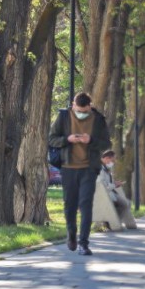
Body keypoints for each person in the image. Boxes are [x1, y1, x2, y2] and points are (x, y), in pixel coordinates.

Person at [48, 92, 111, 256]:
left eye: (84, 111)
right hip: (68, 168)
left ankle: (84, 243)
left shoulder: (98, 119)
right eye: (78, 110)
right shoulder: (63, 116)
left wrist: (90, 140)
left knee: (86, 205)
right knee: (69, 206)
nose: (81, 113)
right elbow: (51, 138)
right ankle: (71, 235)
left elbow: (106, 143)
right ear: (73, 105)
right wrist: (67, 139)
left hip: (89, 169)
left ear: (90, 106)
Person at [97, 150, 137, 229]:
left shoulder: (104, 167)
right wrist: (114, 185)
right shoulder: (100, 169)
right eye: (113, 160)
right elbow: (102, 185)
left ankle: (115, 222)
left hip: (108, 193)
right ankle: (114, 223)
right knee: (125, 203)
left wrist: (114, 183)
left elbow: (106, 182)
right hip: (104, 194)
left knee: (127, 203)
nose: (114, 162)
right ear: (107, 158)